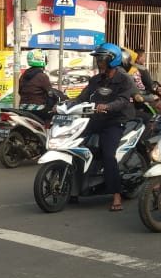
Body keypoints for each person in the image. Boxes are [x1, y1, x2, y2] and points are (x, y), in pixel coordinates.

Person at [70, 42, 137, 212]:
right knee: (75, 146)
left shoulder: (124, 80)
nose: (99, 62)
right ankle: (74, 186)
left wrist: (108, 106)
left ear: (112, 60)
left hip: (115, 121)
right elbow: (82, 97)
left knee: (108, 154)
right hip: (95, 119)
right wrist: (67, 104)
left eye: (101, 59)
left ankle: (116, 194)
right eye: (98, 59)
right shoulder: (96, 80)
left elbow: (123, 100)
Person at [18, 48, 54, 119]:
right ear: (41, 60)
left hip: (22, 108)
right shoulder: (42, 76)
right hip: (38, 110)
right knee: (52, 115)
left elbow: (20, 91)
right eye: (45, 59)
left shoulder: (23, 75)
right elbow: (50, 93)